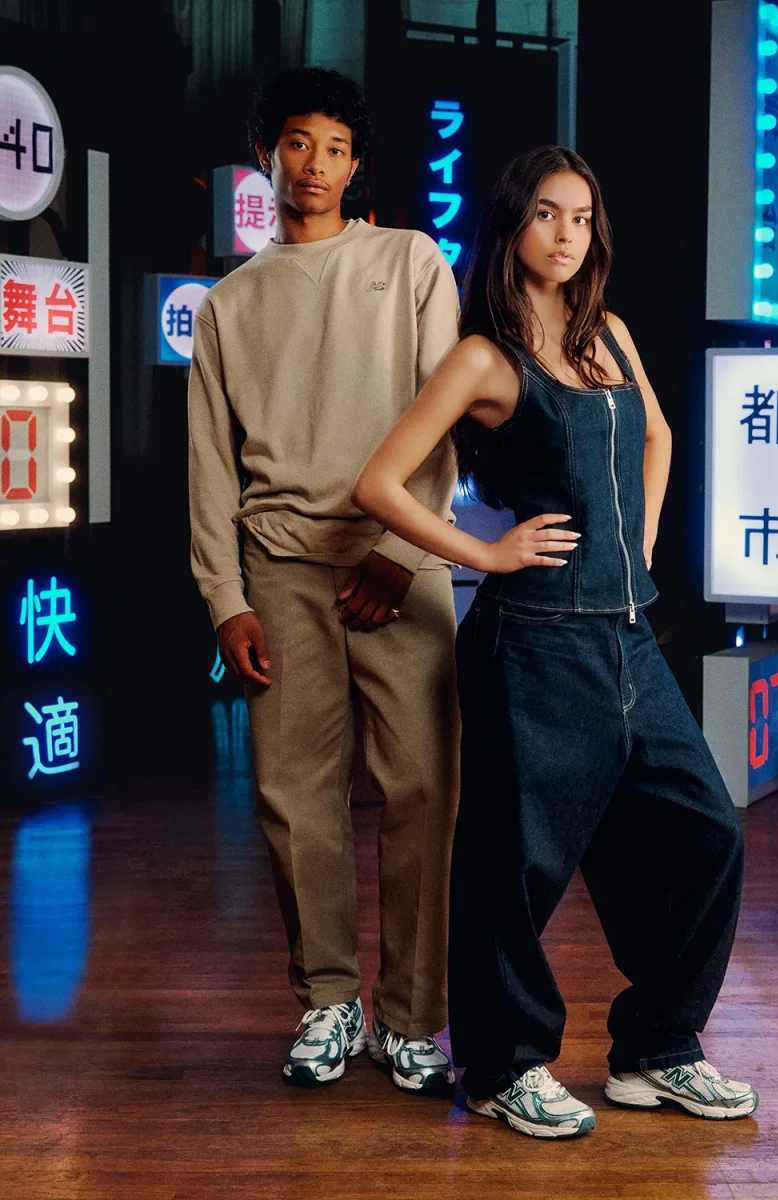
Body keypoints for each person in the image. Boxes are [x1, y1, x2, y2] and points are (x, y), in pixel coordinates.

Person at [353, 146, 758, 1137]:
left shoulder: (609, 335)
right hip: (532, 647)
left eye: (581, 215)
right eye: (547, 213)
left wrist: (641, 539)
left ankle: (657, 1048)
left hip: (627, 639)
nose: (568, 233)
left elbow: (658, 436)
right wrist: (486, 557)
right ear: (512, 228)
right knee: (515, 867)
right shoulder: (486, 358)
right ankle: (501, 1065)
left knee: (709, 831)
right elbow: (379, 483)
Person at [188, 68, 460, 1095]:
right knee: (294, 795)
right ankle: (330, 1001)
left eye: (335, 148)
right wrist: (227, 600)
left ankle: (411, 1017)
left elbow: (444, 417)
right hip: (282, 568)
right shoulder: (229, 304)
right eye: (298, 144)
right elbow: (210, 466)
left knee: (426, 789)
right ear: (270, 153)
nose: (315, 166)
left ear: (359, 164)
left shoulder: (409, 260)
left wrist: (405, 553)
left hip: (399, 562)